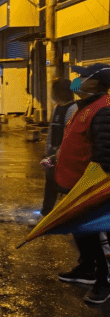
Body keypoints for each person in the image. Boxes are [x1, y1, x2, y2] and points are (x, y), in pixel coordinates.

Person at [54, 63, 110, 304]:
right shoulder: (85, 106)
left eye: (82, 77)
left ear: (96, 83)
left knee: (97, 236)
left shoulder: (104, 110)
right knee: (82, 232)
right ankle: (87, 269)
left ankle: (104, 282)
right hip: (75, 185)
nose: (77, 81)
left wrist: (92, 187)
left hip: (90, 188)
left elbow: (105, 154)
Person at [40, 78, 77, 216]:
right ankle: (46, 212)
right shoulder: (56, 108)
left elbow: (69, 134)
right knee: (49, 181)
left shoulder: (72, 108)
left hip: (64, 154)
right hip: (52, 153)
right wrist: (47, 152)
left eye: (53, 90)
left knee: (64, 183)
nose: (51, 94)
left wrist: (60, 152)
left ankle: (68, 213)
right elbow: (51, 131)